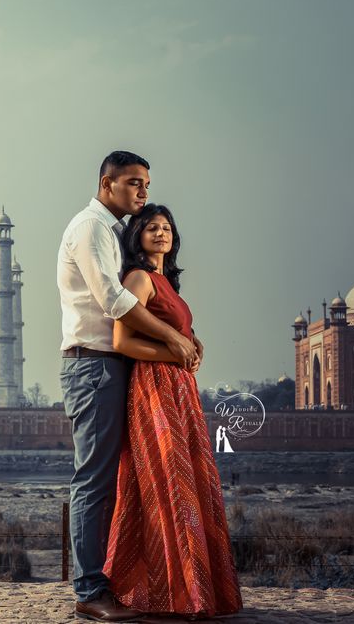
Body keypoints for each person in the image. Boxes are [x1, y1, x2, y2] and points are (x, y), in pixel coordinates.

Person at [57, 151, 200, 622]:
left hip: (113, 367)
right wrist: (173, 337)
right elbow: (115, 301)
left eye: (146, 183)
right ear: (107, 183)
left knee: (121, 481)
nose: (143, 191)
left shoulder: (115, 231)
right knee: (94, 481)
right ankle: (89, 591)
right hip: (93, 365)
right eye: (134, 182)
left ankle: (120, 581)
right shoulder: (91, 228)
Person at [103, 203, 242, 618]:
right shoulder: (139, 278)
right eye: (151, 227)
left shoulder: (166, 282)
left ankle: (192, 590)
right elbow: (122, 342)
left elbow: (179, 334)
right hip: (154, 388)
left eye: (166, 228)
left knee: (188, 479)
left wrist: (193, 345)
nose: (161, 233)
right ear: (138, 235)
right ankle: (172, 592)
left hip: (179, 389)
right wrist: (172, 350)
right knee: (168, 481)